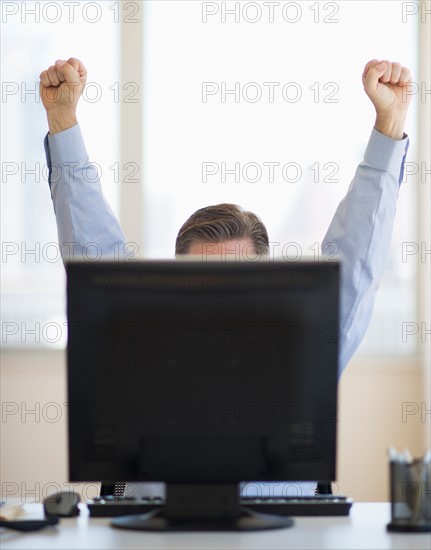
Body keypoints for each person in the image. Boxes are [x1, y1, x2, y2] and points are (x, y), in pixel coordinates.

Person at [40, 57, 411, 498]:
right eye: (203, 282)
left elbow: (354, 267)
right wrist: (63, 121)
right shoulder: (143, 347)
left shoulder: (299, 349)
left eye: (233, 280)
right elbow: (93, 255)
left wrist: (388, 123)